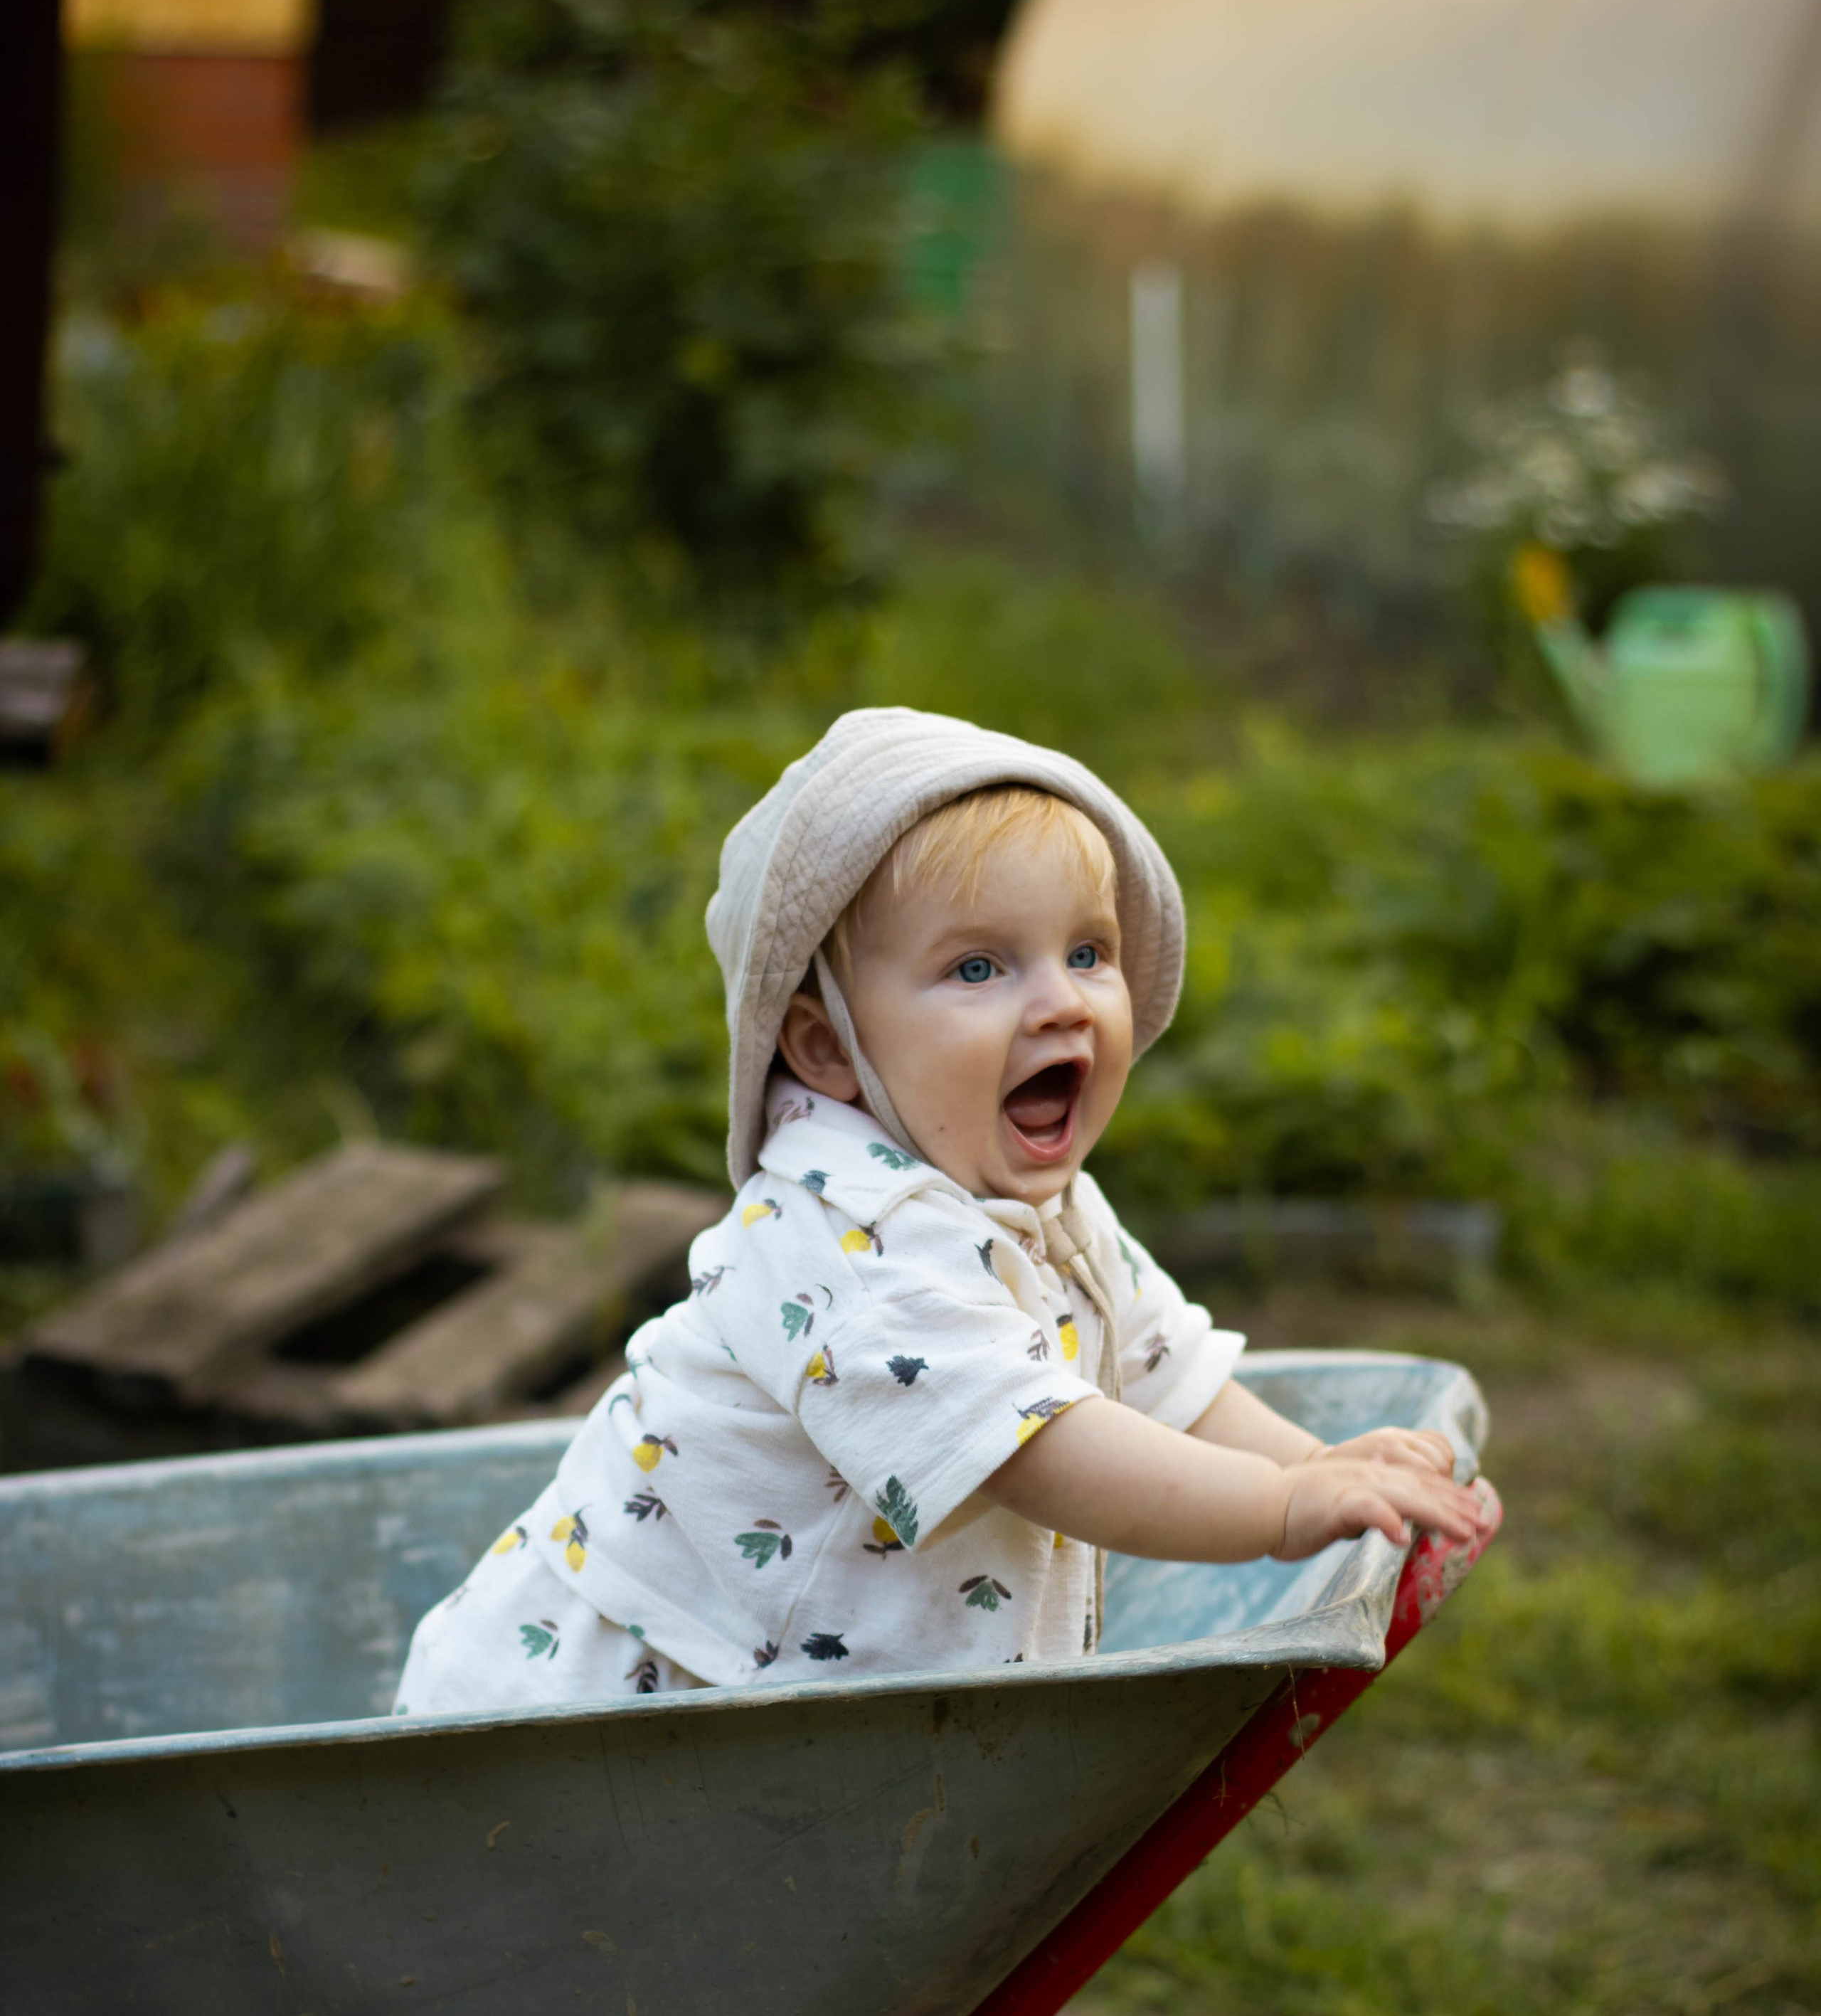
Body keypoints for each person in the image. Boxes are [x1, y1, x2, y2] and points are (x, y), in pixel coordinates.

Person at [395, 708, 1480, 1714]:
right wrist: (1284, 1512)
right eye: (978, 967)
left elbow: (1168, 1380)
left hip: (777, 1745)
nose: (1062, 1001)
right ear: (828, 1048)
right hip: (598, 1718)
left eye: (1088, 953)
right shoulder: (844, 1247)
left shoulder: (1047, 1214)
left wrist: (1327, 1472)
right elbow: (1039, 1451)